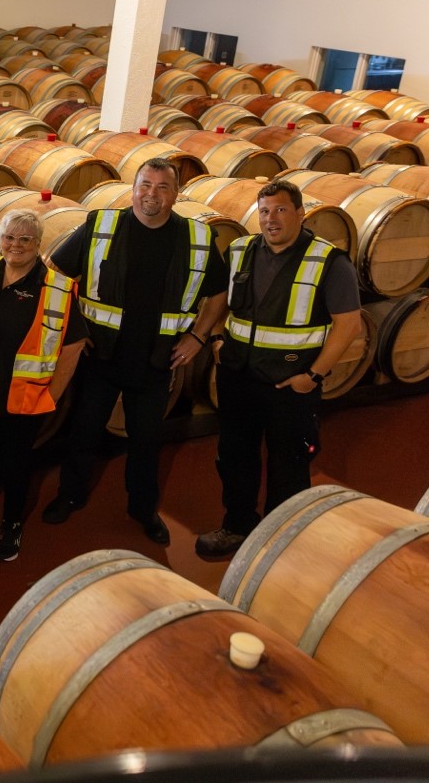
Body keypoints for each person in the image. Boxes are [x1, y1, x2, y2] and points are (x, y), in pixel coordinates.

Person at [44, 157, 229, 544]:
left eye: (163, 187)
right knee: (83, 433)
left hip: (156, 361)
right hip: (101, 356)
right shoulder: (101, 226)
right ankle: (70, 496)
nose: (152, 195)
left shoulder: (195, 237)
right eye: (145, 185)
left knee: (146, 443)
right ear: (133, 189)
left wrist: (197, 337)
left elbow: (218, 292)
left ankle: (143, 509)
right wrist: (74, 329)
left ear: (176, 194)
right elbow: (55, 270)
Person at [195, 180, 362, 558]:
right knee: (235, 456)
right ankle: (236, 526)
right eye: (265, 211)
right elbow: (221, 302)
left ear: (301, 214)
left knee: (290, 462)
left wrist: (314, 376)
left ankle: (281, 538)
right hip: (238, 375)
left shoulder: (328, 261)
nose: (271, 219)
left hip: (292, 383)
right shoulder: (239, 250)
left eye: (281, 210)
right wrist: (218, 339)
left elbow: (348, 324)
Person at [0, 210, 88, 561]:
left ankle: (12, 524)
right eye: (9, 237)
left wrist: (50, 395)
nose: (15, 245)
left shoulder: (55, 288)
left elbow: (74, 344)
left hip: (23, 397)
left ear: (38, 245)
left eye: (25, 239)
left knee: (17, 464)